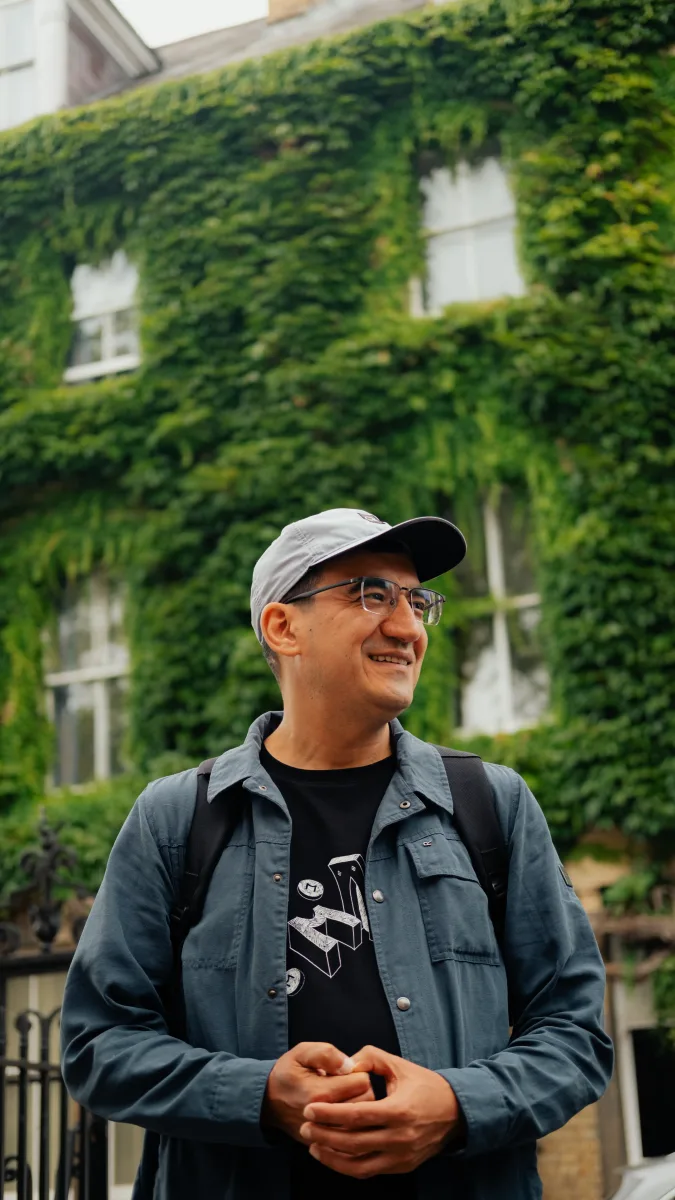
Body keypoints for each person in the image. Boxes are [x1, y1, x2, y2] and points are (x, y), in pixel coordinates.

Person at [61, 507, 613, 1200]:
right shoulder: (178, 818)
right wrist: (259, 1095)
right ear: (282, 627)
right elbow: (98, 1044)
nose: (408, 627)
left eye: (416, 601)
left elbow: (575, 1034)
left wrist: (455, 1104)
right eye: (370, 593)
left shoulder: (488, 804)